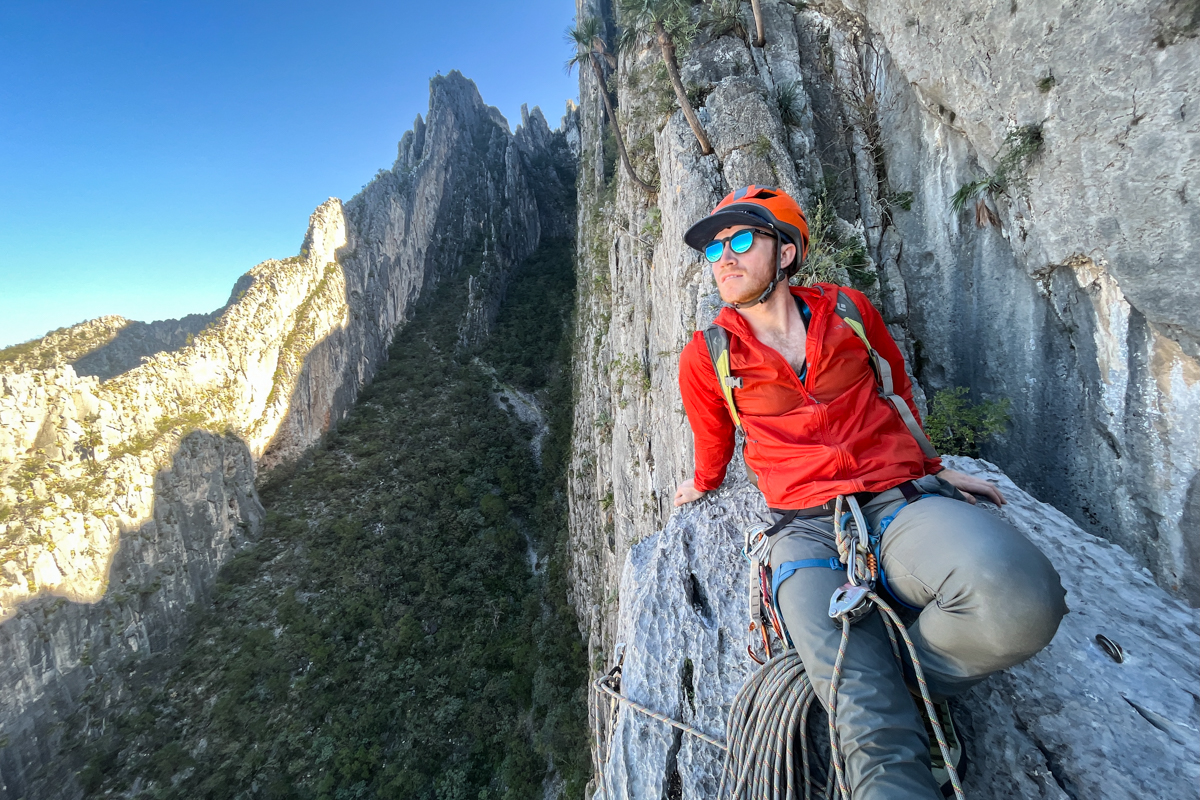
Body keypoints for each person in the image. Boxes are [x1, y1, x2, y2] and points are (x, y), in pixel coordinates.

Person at [672, 185, 1067, 800]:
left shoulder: (849, 313)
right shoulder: (708, 357)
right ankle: (887, 713)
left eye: (743, 240)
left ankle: (905, 683)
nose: (724, 257)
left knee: (1022, 601)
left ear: (785, 251)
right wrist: (699, 486)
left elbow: (896, 389)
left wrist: (935, 467)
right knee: (865, 720)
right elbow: (712, 441)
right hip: (801, 528)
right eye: (714, 249)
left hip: (897, 499)